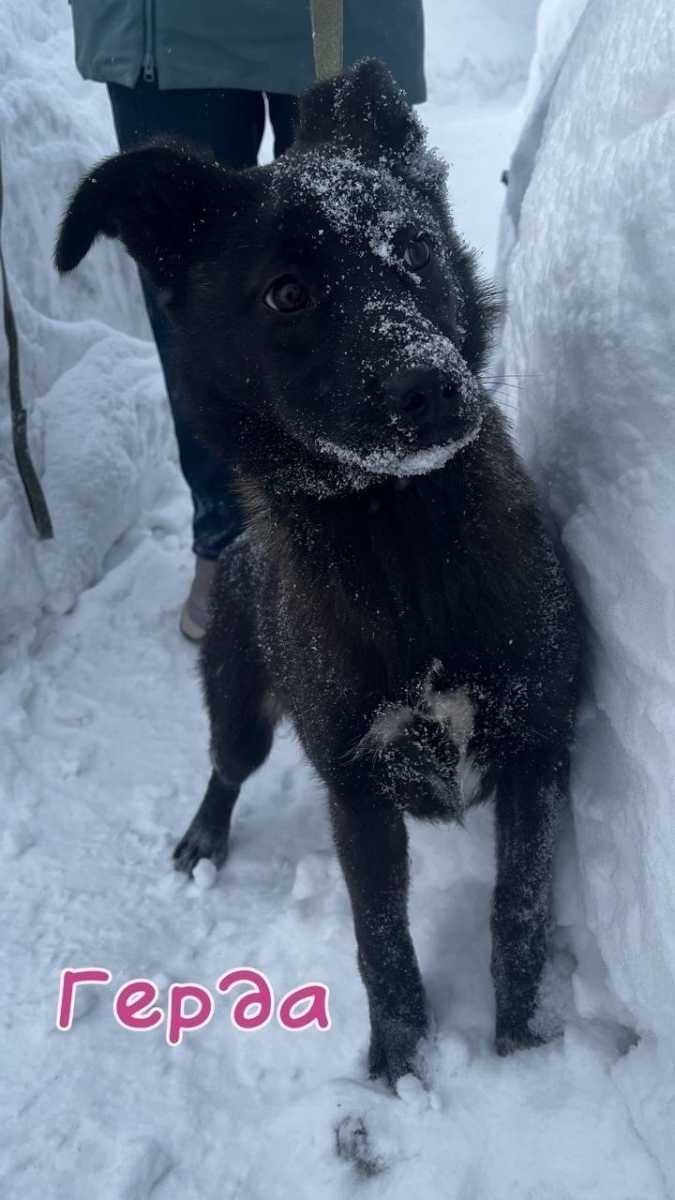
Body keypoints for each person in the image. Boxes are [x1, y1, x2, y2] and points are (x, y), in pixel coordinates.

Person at [67, 1, 427, 639]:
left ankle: (379, 537)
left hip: (337, 11)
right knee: (208, 293)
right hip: (168, 20)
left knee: (370, 264)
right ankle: (235, 537)